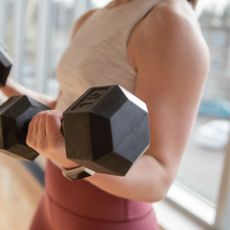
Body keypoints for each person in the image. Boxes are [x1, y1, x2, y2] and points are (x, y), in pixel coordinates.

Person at [1, 0, 209, 229]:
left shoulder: (170, 24)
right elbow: (63, 108)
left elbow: (159, 177)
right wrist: (5, 83)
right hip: (52, 201)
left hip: (106, 218)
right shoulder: (90, 18)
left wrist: (70, 158)